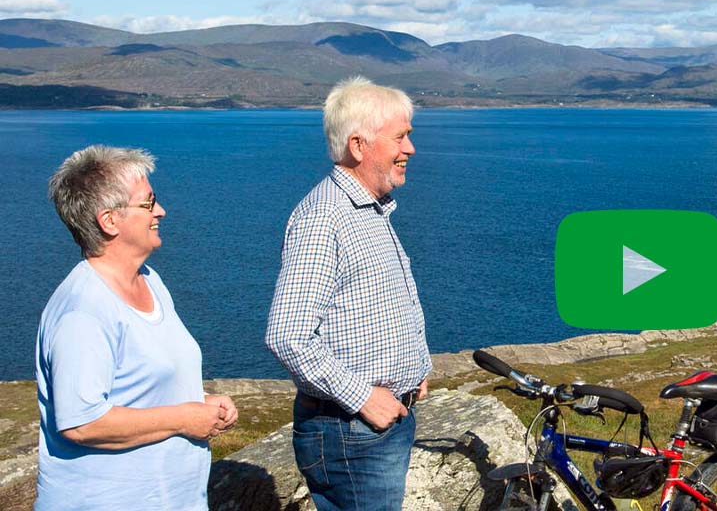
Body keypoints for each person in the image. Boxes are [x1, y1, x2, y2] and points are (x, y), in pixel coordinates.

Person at [37, 145, 237, 510]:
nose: (160, 211)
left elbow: (140, 389)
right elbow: (82, 423)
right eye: (148, 203)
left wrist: (200, 403)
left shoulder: (150, 281)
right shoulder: (83, 312)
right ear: (109, 220)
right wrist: (184, 418)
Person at [265, 75, 431, 511]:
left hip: (374, 425)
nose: (410, 149)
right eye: (400, 137)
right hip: (350, 431)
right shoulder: (324, 218)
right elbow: (288, 335)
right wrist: (365, 398)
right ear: (359, 146)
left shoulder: (370, 212)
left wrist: (416, 370)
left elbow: (377, 307)